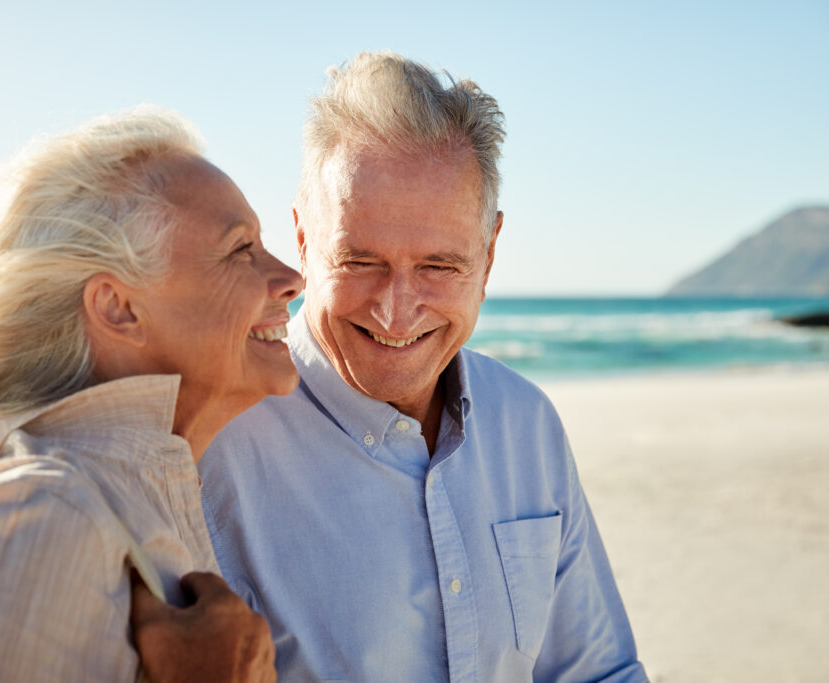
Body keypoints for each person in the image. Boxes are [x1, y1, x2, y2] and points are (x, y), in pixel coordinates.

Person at [198, 52, 649, 681]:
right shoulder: (210, 445)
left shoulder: (527, 423)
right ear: (302, 240)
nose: (396, 310)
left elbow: (596, 672)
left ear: (488, 258)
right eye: (360, 261)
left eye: (440, 266)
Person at [0, 107, 300, 681]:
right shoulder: (39, 520)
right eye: (240, 249)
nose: (291, 277)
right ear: (117, 307)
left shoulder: (118, 501)